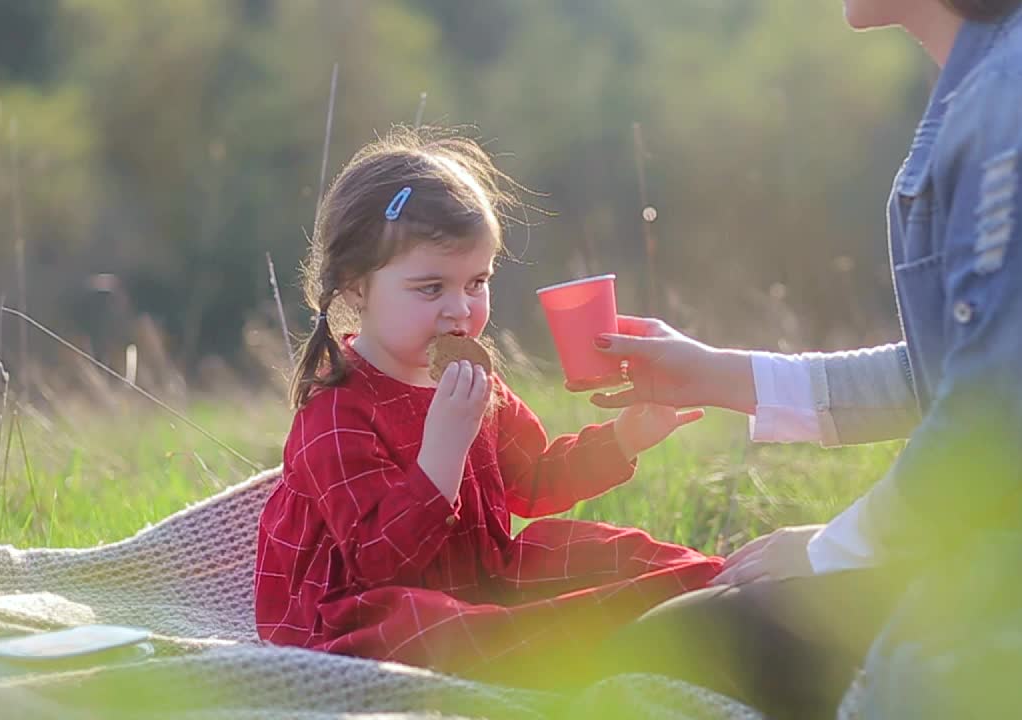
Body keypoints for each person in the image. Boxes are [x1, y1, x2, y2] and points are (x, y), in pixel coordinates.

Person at [581, 1, 1022, 717]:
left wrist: (831, 548)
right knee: (690, 630)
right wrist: (717, 375)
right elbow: (962, 367)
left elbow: (990, 421)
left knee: (670, 659)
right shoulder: (1015, 73)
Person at [253, 129, 721, 689]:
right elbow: (380, 563)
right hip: (361, 609)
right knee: (431, 630)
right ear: (356, 287)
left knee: (589, 549)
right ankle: (591, 642)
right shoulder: (336, 412)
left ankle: (717, 589)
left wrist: (623, 438)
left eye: (477, 282)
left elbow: (534, 481)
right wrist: (443, 452)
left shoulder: (474, 378)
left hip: (474, 572)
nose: (461, 309)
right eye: (431, 289)